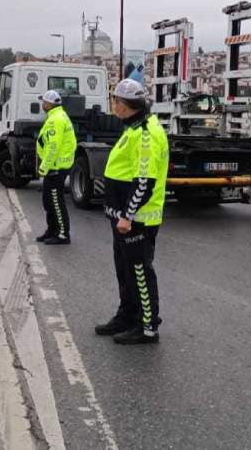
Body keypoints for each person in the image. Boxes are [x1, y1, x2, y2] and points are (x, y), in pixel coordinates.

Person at [95, 79, 169, 345]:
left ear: (130, 106)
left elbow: (144, 182)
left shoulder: (146, 134)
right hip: (122, 217)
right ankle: (127, 315)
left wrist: (127, 215)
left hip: (137, 219)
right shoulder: (133, 127)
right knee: (124, 271)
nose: (113, 104)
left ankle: (147, 326)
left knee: (139, 272)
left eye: (117, 101)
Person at [35, 89, 76, 245]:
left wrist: (44, 168)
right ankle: (52, 230)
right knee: (48, 201)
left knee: (55, 202)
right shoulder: (58, 116)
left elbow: (53, 146)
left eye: (44, 102)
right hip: (56, 165)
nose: (42, 104)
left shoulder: (56, 120)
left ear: (50, 104)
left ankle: (63, 234)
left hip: (56, 167)